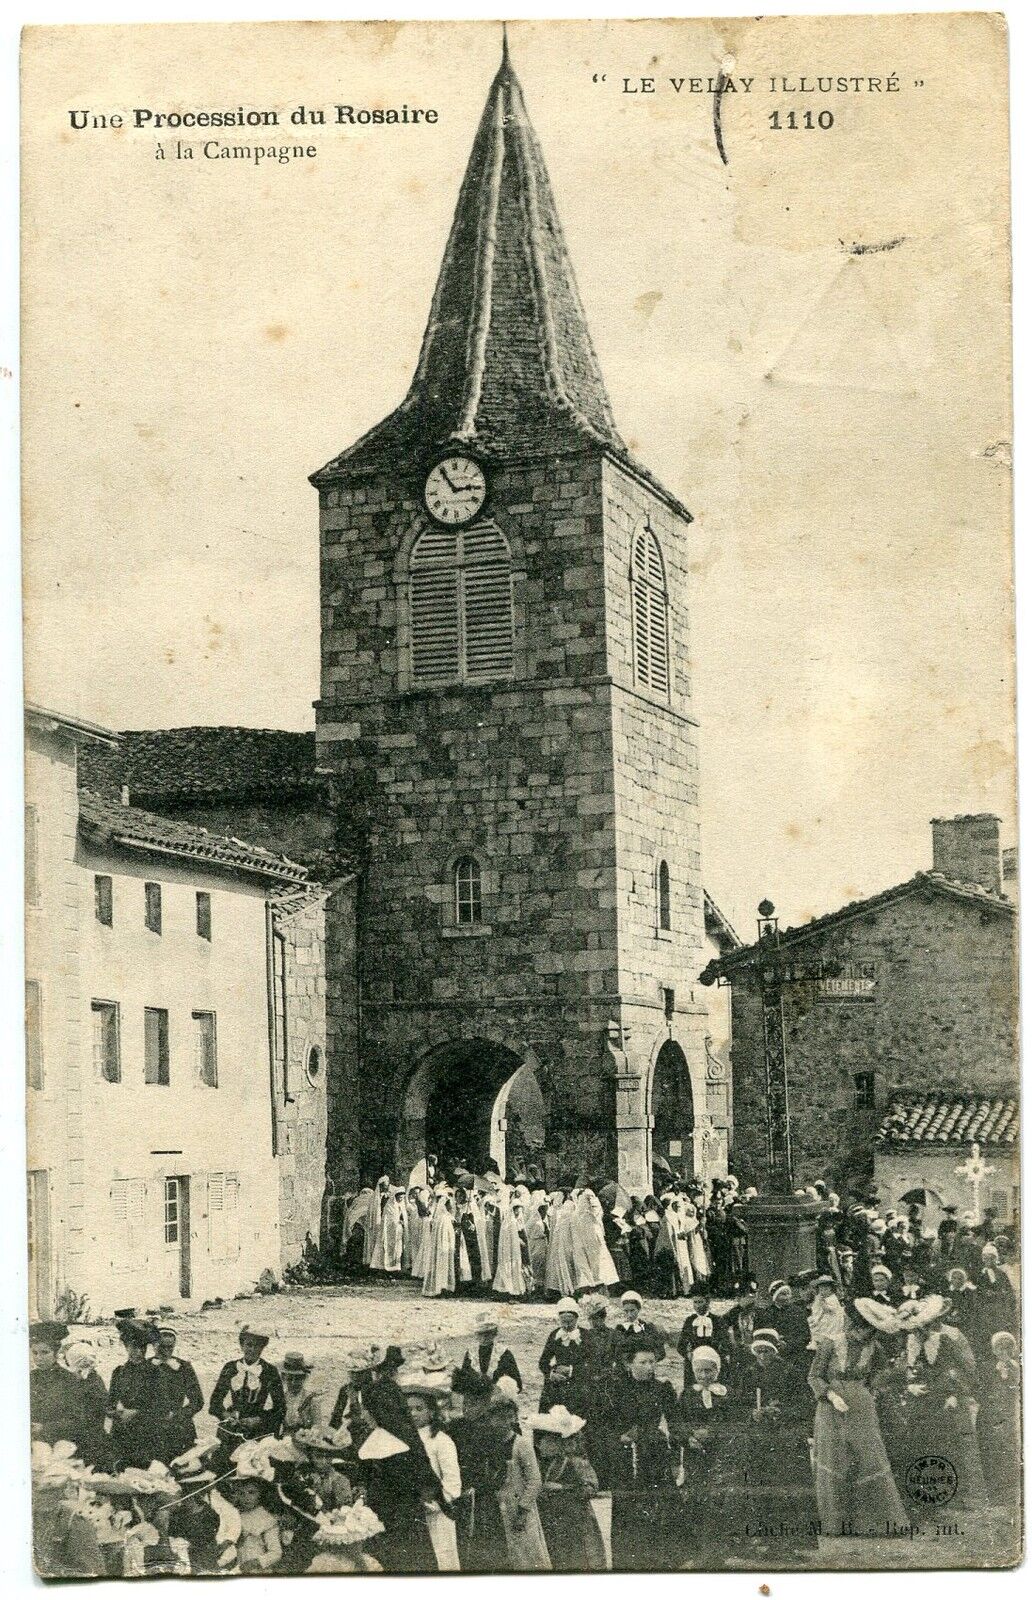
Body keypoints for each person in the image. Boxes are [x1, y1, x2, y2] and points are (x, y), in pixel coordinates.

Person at [808, 1297, 906, 1536]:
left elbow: (879, 1375)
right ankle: (837, 1524)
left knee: (869, 1454)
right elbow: (814, 1377)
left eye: (871, 1332)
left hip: (862, 1405)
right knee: (835, 1457)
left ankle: (875, 1523)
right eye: (863, 1329)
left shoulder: (874, 1348)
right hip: (831, 1406)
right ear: (853, 1325)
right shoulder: (830, 1344)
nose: (866, 1336)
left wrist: (889, 1377)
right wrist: (831, 1396)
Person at [606, 1339, 682, 1571]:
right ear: (629, 1364)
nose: (650, 1367)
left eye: (652, 1362)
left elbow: (675, 1423)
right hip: (626, 1455)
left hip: (655, 1452)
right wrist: (620, 1437)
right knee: (628, 1507)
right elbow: (603, 1424)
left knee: (659, 1506)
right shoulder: (615, 1388)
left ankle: (660, 1563)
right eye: (643, 1362)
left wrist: (677, 1460)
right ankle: (627, 1565)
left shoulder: (663, 1388)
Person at [356, 1378, 438, 1572]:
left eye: (365, 1409)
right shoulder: (401, 1436)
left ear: (376, 1411)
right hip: (396, 1522)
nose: (363, 1414)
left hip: (396, 1526)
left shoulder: (391, 1443)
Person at [531, 1406, 607, 1570]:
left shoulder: (574, 1461)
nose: (541, 1446)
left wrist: (562, 1488)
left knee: (576, 1557)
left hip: (575, 1520)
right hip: (549, 1519)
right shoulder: (538, 1462)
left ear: (558, 1442)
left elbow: (590, 1486)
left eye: (547, 1441)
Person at [400, 1376, 461, 1570]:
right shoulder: (403, 1438)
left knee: (442, 1559)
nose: (414, 1413)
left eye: (419, 1408)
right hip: (412, 1511)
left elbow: (452, 1481)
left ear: (432, 1411)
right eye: (409, 1409)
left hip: (437, 1512)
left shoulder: (441, 1441)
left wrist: (436, 1503)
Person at [486, 1393, 552, 1570]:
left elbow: (534, 1480)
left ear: (511, 1418)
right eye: (495, 1418)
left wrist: (523, 1511)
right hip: (497, 1507)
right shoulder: (489, 1443)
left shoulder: (521, 1444)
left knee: (527, 1554)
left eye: (505, 1418)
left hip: (518, 1509)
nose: (499, 1423)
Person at [208, 1326, 286, 1446]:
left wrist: (259, 1420)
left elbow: (280, 1408)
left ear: (263, 1347)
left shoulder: (270, 1371)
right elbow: (215, 1401)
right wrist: (226, 1415)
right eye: (249, 1345)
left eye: (258, 1346)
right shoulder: (230, 1368)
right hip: (232, 1426)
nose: (253, 1349)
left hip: (258, 1428)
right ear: (242, 1345)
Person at [107, 1320, 167, 1468]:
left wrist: (135, 1413)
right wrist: (115, 1412)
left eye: (142, 1348)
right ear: (126, 1347)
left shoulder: (155, 1372)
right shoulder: (119, 1372)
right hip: (121, 1436)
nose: (138, 1352)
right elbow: (109, 1404)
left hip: (146, 1437)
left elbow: (163, 1408)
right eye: (133, 1347)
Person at [977, 1331, 1021, 1506]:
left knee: (1008, 1448)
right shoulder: (988, 1368)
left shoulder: (1017, 1368)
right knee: (989, 1448)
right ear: (994, 1350)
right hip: (989, 1413)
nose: (1004, 1352)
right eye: (999, 1348)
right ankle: (992, 1490)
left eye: (1007, 1348)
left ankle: (1008, 1489)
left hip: (1008, 1413)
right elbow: (980, 1389)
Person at [151, 1327, 204, 1462]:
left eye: (170, 1347)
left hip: (179, 1426)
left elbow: (197, 1401)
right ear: (154, 1345)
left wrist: (178, 1415)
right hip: (152, 1425)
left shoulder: (184, 1367)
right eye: (162, 1347)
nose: (166, 1351)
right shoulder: (146, 1367)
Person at [30, 1322, 85, 1449]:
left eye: (45, 1352)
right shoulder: (29, 1378)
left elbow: (77, 1421)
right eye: (35, 1352)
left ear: (56, 1353)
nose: (39, 1358)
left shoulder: (69, 1380)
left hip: (60, 1445)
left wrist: (45, 1428)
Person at [539, 1298, 592, 1414]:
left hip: (579, 1380)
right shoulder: (555, 1335)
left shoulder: (585, 1335)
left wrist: (571, 1370)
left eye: (570, 1321)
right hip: (558, 1381)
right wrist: (551, 1374)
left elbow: (592, 1362)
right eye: (563, 1322)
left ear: (577, 1319)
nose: (567, 1325)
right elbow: (543, 1362)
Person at [571, 1187, 620, 1294]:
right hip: (590, 1243)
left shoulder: (580, 1214)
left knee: (596, 1266)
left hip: (590, 1244)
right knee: (596, 1266)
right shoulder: (585, 1215)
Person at [230, 1474, 283, 1573]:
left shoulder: (266, 1518)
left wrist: (254, 1563)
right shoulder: (236, 1515)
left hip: (258, 1570)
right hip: (238, 1567)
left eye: (251, 1493)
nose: (246, 1497)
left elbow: (276, 1553)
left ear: (260, 1494)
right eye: (241, 1493)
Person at [677, 1292, 731, 1386]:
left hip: (714, 1363)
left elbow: (726, 1344)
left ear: (708, 1302)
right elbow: (681, 1345)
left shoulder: (717, 1321)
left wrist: (716, 1355)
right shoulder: (689, 1321)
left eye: (700, 1302)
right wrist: (688, 1353)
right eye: (695, 1302)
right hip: (694, 1364)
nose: (697, 1306)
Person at [460, 1312, 523, 1391]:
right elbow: (462, 1380)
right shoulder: (471, 1353)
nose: (483, 1338)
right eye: (480, 1334)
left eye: (487, 1334)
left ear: (495, 1333)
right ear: (475, 1334)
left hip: (497, 1397)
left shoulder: (504, 1353)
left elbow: (517, 1384)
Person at [611, 1289, 667, 1367]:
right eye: (626, 1311)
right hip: (624, 1371)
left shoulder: (648, 1328)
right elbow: (614, 1353)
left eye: (632, 1310)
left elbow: (660, 1352)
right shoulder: (619, 1329)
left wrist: (648, 1361)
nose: (629, 1315)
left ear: (639, 1309)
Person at [280, 1350, 326, 1436]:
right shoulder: (281, 1398)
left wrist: (312, 1432)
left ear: (304, 1378)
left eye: (297, 1379)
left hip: (305, 1441)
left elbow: (317, 1425)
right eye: (290, 1379)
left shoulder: (312, 1399)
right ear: (284, 1378)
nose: (293, 1383)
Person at [423, 1190, 458, 1297]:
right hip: (443, 1246)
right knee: (442, 1264)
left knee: (445, 1264)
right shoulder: (443, 1218)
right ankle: (440, 1287)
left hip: (446, 1245)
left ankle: (444, 1286)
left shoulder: (443, 1217)